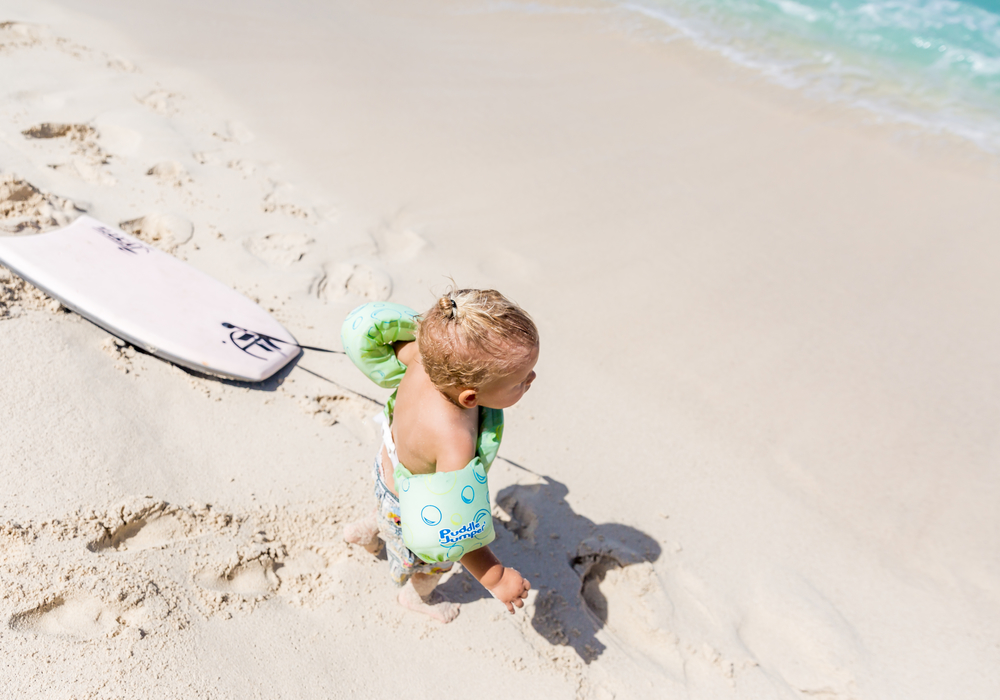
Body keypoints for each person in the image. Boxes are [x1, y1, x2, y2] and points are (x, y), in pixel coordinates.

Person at [342, 288, 538, 623]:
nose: (531, 380)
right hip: (413, 504)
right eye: (519, 382)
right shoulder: (454, 440)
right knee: (430, 562)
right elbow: (453, 526)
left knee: (389, 510)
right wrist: (496, 577)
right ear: (470, 398)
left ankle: (369, 527)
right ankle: (416, 596)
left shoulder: (425, 354)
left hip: (388, 468)